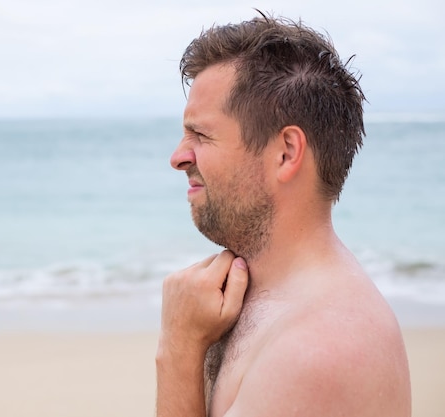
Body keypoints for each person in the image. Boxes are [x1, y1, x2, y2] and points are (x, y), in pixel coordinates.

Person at [156, 13, 411, 417]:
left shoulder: (320, 349)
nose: (177, 157)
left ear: (286, 153)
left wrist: (177, 351)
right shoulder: (270, 301)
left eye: (201, 135)